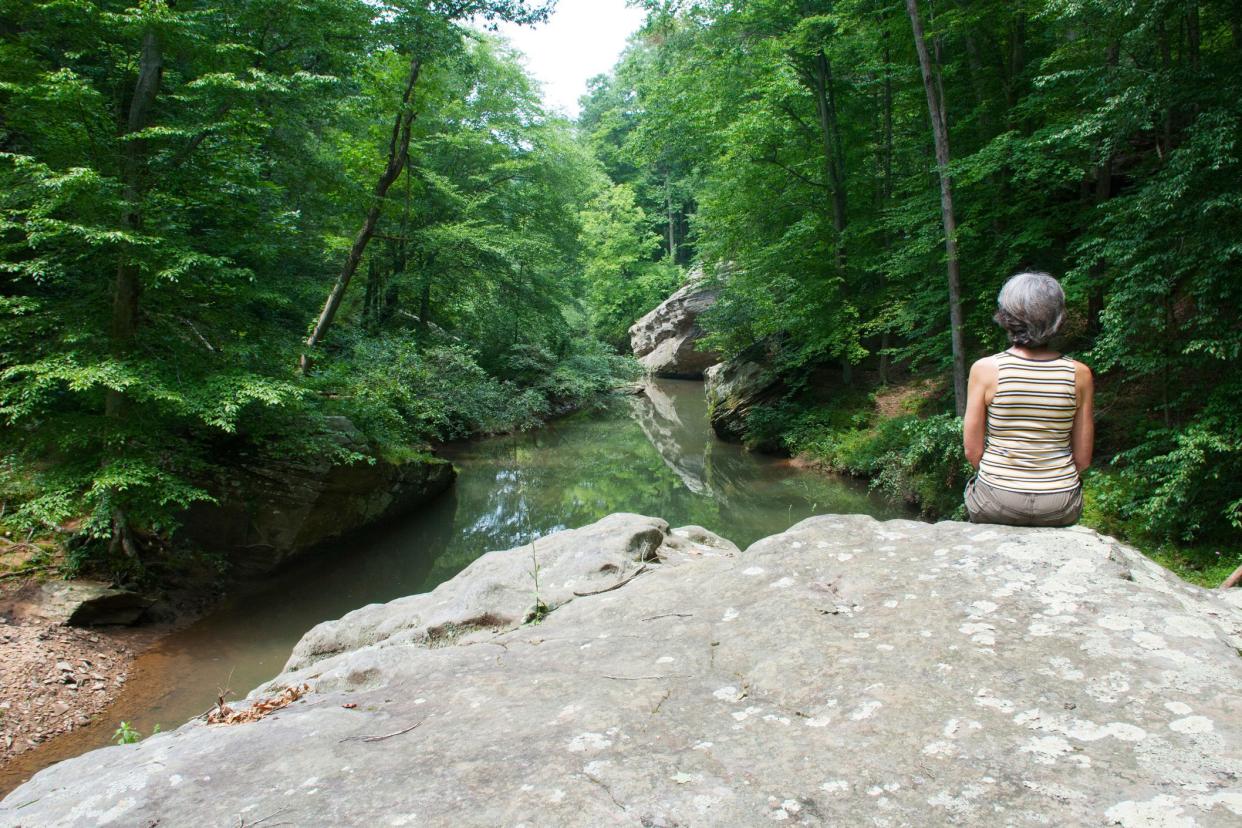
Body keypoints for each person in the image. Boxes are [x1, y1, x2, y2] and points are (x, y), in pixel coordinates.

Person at [962, 271, 1094, 526]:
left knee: (972, 492)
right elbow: (1083, 459)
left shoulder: (986, 369)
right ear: (1057, 319)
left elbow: (972, 451)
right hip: (1060, 503)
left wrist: (1005, 483)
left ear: (1007, 317)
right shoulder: (1080, 374)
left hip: (996, 499)